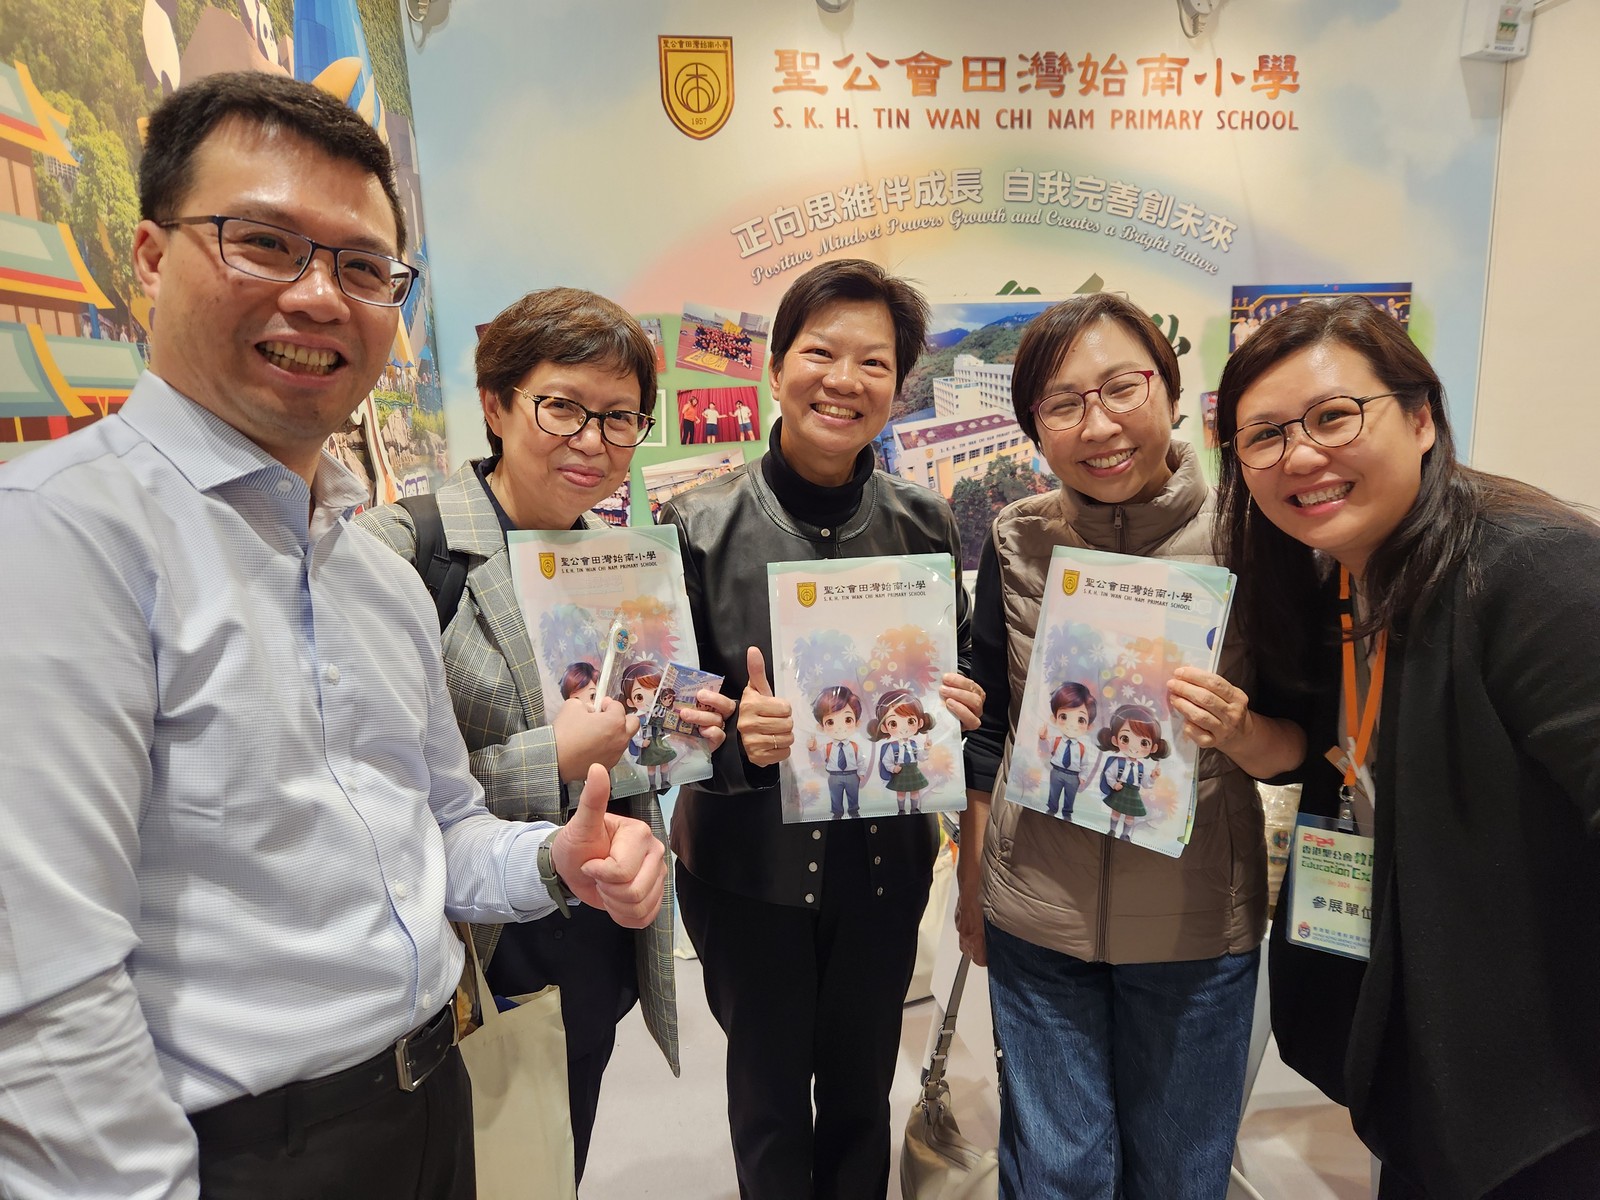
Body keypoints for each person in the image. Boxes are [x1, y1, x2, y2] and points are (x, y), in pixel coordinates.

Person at [0, 73, 667, 1200]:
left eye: (363, 268)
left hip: (431, 1095)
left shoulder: (371, 575)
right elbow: (43, 997)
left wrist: (555, 861)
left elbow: (440, 826)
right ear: (151, 257)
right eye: (264, 242)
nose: (318, 297)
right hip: (235, 1153)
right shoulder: (57, 538)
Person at [1214, 296, 1600, 1199]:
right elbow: (1332, 759)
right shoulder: (1346, 585)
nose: (1300, 456)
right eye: (1264, 436)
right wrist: (1241, 735)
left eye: (1334, 416)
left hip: (1549, 1090)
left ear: (1421, 418)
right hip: (1436, 1057)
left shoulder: (1531, 571)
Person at [355, 287, 734, 1184]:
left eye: (619, 417)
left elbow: (627, 753)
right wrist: (551, 759)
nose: (592, 441)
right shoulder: (402, 553)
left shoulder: (621, 562)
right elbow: (371, 795)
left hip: (592, 937)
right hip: (473, 955)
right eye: (562, 407)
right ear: (495, 405)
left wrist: (678, 730)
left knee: (554, 1160)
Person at [958, 293, 1305, 1200]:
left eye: (1122, 388)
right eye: (1063, 403)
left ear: (1172, 392)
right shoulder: (1017, 538)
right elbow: (990, 731)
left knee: (1179, 1176)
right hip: (1037, 918)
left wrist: (1241, 730)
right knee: (1057, 1174)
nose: (1099, 425)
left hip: (1196, 929)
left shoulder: (1253, 536)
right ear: (1034, 426)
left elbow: (1301, 746)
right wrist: (973, 886)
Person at [657, 258, 985, 1200]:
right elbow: (659, 725)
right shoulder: (698, 524)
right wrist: (735, 742)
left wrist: (959, 708)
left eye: (873, 363)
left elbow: (955, 668)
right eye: (820, 353)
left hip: (883, 872)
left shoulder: (924, 523)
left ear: (899, 386)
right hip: (747, 873)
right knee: (766, 1106)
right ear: (777, 368)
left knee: (859, 1100)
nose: (845, 380)